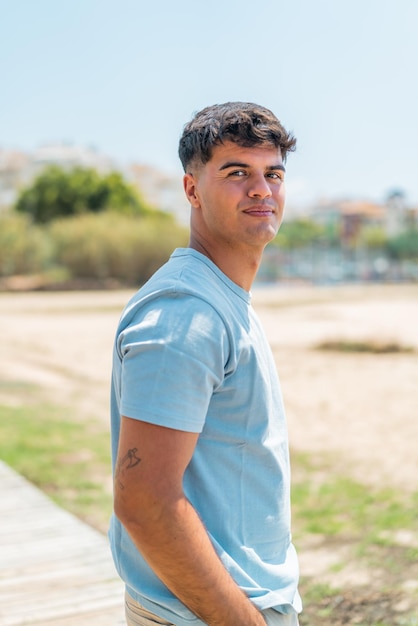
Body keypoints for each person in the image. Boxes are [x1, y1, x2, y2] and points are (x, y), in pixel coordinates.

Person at [109, 102, 302, 626]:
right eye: (237, 173)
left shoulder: (216, 298)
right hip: (207, 612)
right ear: (192, 190)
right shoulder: (187, 314)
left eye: (273, 173)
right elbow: (145, 501)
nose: (261, 189)